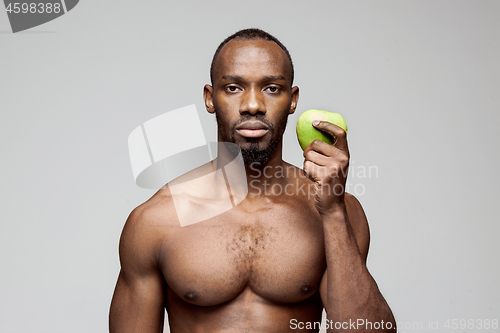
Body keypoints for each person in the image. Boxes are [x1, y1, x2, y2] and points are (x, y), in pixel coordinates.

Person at [109, 28, 396, 332]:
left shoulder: (340, 212)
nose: (253, 105)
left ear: (293, 99)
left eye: (272, 88)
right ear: (209, 98)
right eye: (233, 87)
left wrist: (333, 213)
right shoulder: (156, 221)